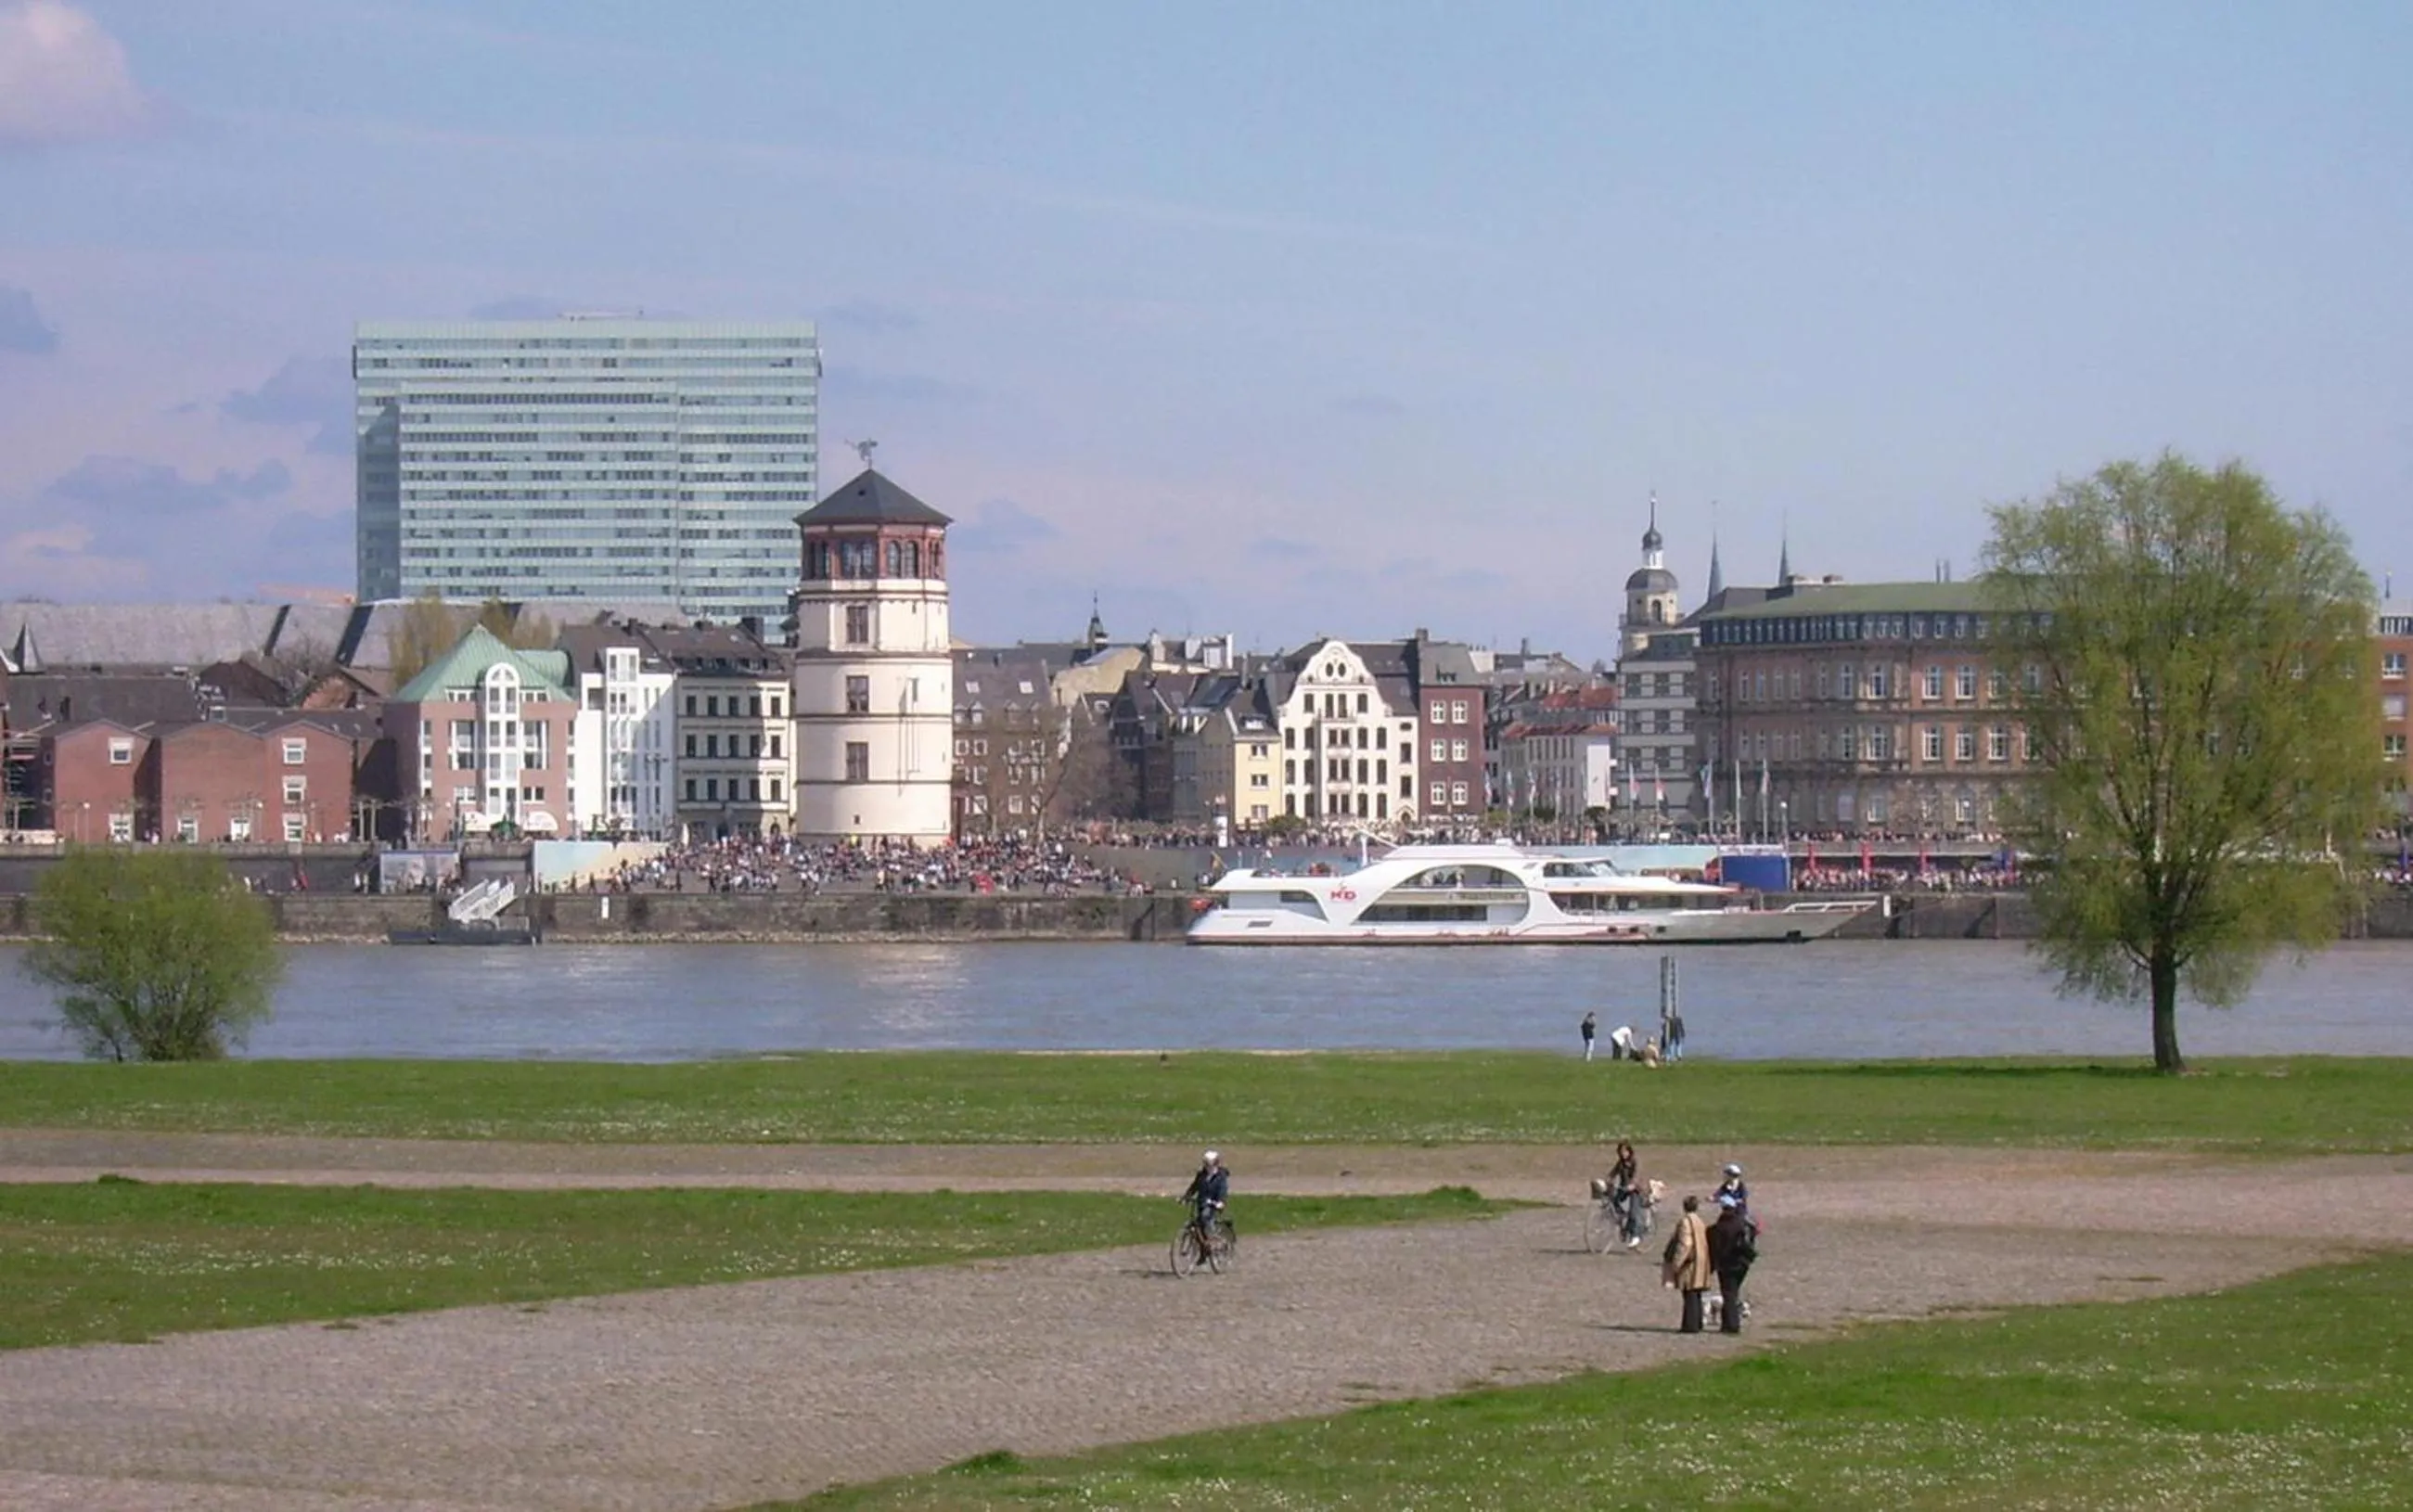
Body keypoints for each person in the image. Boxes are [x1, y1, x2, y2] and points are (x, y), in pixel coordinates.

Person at [1662, 1194, 1713, 1333]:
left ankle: (1690, 1325)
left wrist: (1676, 1263)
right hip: (1701, 1261)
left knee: (1689, 1292)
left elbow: (1685, 1244)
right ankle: (1697, 1323)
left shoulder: (1685, 1222)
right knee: (1696, 1293)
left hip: (1690, 1263)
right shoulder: (1700, 1221)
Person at [1707, 1192, 1757, 1334]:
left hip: (1726, 1265)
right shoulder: (1743, 1224)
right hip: (1743, 1264)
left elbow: (1714, 1248)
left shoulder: (1718, 1228)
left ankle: (1731, 1325)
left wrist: (1711, 1266)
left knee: (1728, 1293)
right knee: (1733, 1292)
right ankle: (1727, 1322)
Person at [1182, 1149, 1231, 1240]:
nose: (1208, 1166)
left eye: (1210, 1163)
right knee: (1198, 1221)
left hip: (1213, 1203)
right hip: (1202, 1202)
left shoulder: (1220, 1176)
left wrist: (1220, 1202)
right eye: (1206, 1163)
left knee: (1206, 1216)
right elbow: (1195, 1186)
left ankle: (1212, 1237)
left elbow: (1222, 1190)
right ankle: (1202, 1245)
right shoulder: (1202, 1175)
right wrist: (1186, 1197)